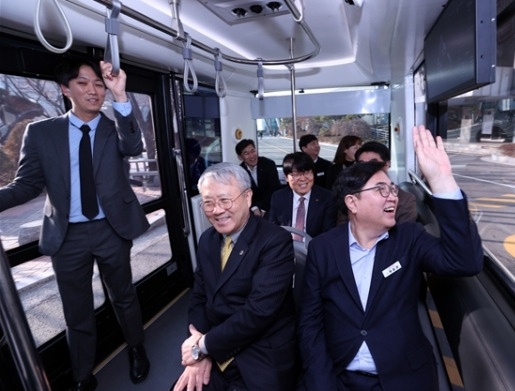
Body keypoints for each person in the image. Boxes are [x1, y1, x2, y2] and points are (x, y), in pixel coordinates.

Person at [0, 58, 150, 391]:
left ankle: (137, 348)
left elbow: (134, 146)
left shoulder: (114, 127)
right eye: (83, 83)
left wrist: (121, 95)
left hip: (112, 229)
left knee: (124, 297)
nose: (93, 90)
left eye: (98, 83)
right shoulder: (40, 132)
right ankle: (83, 375)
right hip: (67, 236)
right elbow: (26, 185)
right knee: (76, 311)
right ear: (66, 89)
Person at [297, 125, 484, 391]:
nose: (393, 198)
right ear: (352, 203)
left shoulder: (409, 238)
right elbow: (310, 322)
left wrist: (442, 181)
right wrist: (321, 381)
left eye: (393, 190)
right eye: (381, 190)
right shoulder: (323, 248)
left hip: (402, 376)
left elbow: (465, 262)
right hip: (338, 376)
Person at [172, 162, 298, 391]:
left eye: (224, 200)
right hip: (217, 343)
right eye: (208, 203)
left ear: (248, 197)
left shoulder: (274, 241)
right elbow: (199, 298)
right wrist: (199, 348)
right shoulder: (208, 240)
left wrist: (202, 347)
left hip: (260, 352)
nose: (217, 210)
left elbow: (258, 313)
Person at [269, 152, 337, 240]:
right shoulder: (278, 197)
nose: (303, 178)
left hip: (314, 248)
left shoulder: (327, 197)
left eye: (307, 172)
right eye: (296, 174)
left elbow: (328, 234)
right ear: (286, 177)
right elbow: (273, 229)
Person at [355, 141, 417, 224]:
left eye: (372, 163)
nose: (366, 168)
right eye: (362, 164)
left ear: (387, 165)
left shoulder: (405, 200)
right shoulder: (351, 195)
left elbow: (405, 234)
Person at [235, 139, 280, 218]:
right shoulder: (240, 171)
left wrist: (263, 209)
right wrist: (255, 208)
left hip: (271, 204)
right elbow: (243, 194)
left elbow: (273, 189)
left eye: (253, 151)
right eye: (246, 153)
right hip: (251, 206)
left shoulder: (268, 164)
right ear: (240, 157)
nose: (252, 155)